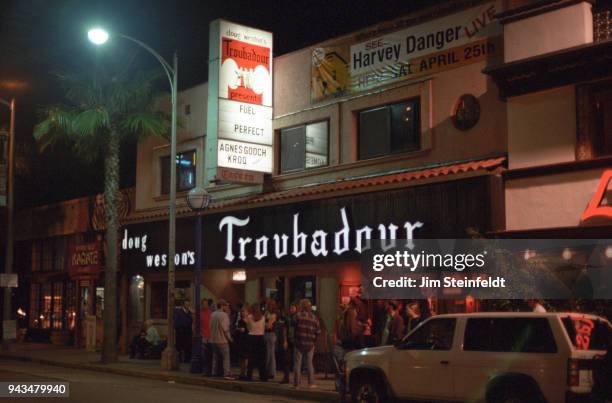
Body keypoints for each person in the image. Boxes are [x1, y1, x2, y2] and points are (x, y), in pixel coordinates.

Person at [293, 298, 320, 389]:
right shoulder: (314, 318)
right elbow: (318, 332)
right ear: (309, 307)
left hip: (299, 342)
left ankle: (297, 384)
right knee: (309, 363)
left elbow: (292, 327)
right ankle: (311, 383)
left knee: (298, 363)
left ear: (302, 306)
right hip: (310, 343)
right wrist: (314, 341)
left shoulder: (297, 316)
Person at [210, 299, 233, 379]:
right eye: (226, 305)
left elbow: (210, 326)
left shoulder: (212, 314)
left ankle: (214, 372)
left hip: (213, 339)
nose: (227, 307)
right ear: (223, 306)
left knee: (215, 357)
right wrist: (229, 338)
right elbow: (225, 328)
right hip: (222, 340)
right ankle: (226, 373)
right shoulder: (224, 315)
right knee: (225, 357)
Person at [246, 302, 267, 381]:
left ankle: (249, 375)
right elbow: (264, 328)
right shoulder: (263, 317)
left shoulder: (249, 317)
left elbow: (248, 327)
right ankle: (263, 376)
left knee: (251, 357)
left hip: (251, 337)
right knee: (261, 358)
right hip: (260, 337)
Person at [277, 304, 296, 384]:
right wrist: (285, 341)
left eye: (293, 308)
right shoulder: (287, 318)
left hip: (296, 340)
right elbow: (284, 329)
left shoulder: (297, 317)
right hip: (289, 340)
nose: (291, 309)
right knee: (286, 359)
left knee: (296, 360)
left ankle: (296, 379)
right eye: (290, 308)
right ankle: (286, 377)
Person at [234, 303, 250, 380]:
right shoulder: (240, 320)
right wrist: (238, 329)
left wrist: (246, 326)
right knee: (241, 357)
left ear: (247, 312)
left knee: (245, 357)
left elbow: (250, 329)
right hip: (241, 339)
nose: (242, 313)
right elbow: (237, 328)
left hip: (247, 339)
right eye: (241, 311)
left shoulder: (249, 320)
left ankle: (245, 372)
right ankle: (242, 372)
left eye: (243, 311)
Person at [264, 299, 278, 380]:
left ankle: (270, 372)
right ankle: (271, 372)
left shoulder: (273, 314)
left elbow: (269, 326)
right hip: (267, 334)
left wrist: (264, 323)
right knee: (270, 354)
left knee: (269, 354)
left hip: (271, 334)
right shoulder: (267, 313)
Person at [200, 299, 213, 376]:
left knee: (209, 354)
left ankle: (209, 370)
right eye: (204, 304)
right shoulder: (199, 313)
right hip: (202, 336)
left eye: (206, 304)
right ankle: (204, 369)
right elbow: (195, 325)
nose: (205, 305)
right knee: (203, 354)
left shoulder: (211, 313)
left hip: (210, 336)